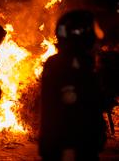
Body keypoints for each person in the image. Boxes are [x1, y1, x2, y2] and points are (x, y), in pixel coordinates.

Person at [39, 10, 107, 161]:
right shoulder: (73, 65)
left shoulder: (59, 62)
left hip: (65, 144)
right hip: (72, 146)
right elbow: (78, 108)